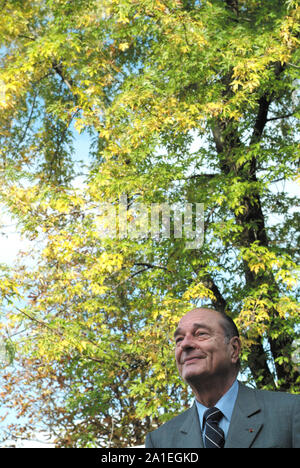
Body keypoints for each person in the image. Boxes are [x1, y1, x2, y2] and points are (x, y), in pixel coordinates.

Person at [145, 307, 300, 448]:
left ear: (234, 349)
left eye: (201, 334)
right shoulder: (159, 441)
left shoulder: (291, 412)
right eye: (179, 339)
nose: (185, 344)